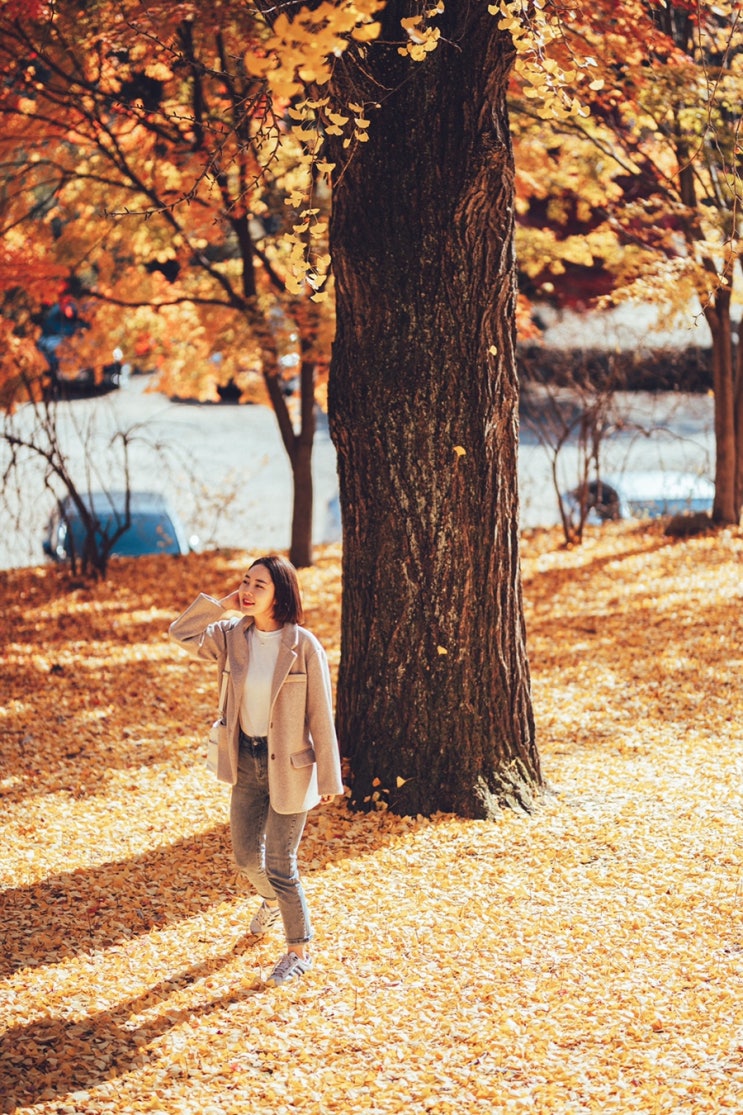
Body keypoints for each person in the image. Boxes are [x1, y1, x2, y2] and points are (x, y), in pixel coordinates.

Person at [169, 554, 343, 986]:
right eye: (245, 581)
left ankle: (298, 950)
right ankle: (269, 902)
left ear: (280, 594)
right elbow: (181, 632)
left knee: (282, 863)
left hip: (291, 766)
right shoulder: (232, 635)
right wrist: (224, 604)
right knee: (247, 857)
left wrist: (329, 778)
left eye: (258, 585)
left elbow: (321, 715)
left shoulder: (303, 645)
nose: (247, 590)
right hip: (245, 759)